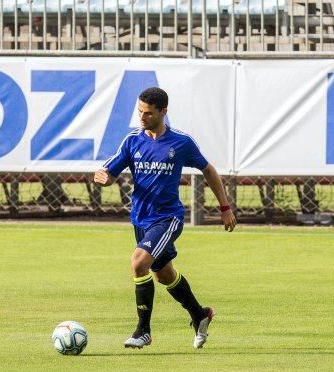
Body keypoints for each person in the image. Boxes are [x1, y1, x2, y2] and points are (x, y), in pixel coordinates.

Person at [94, 87, 236, 349]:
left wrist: (225, 208)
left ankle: (143, 331)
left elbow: (208, 170)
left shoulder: (180, 142)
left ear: (163, 112)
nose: (142, 117)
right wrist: (102, 178)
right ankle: (200, 314)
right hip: (141, 218)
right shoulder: (132, 141)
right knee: (163, 274)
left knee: (139, 264)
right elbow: (108, 172)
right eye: (140, 112)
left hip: (168, 218)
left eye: (148, 113)